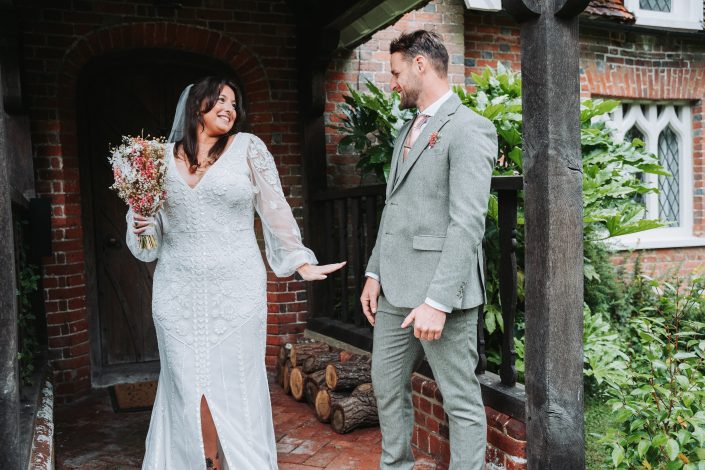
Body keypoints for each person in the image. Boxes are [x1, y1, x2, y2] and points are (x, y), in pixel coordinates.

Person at [127, 76, 345, 470]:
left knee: (233, 385)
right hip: (177, 291)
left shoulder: (248, 148)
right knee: (187, 384)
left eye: (233, 102)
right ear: (197, 106)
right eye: (220, 100)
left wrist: (301, 262)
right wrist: (142, 226)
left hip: (237, 289)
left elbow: (275, 210)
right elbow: (149, 243)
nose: (229, 107)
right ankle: (203, 461)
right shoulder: (156, 158)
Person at [359, 30, 497, 470]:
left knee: (459, 400)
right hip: (393, 291)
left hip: (442, 298)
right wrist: (374, 272)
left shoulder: (471, 128)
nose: (393, 82)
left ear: (421, 65)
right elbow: (394, 207)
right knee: (385, 384)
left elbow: (468, 222)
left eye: (397, 72)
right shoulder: (405, 132)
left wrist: (437, 301)